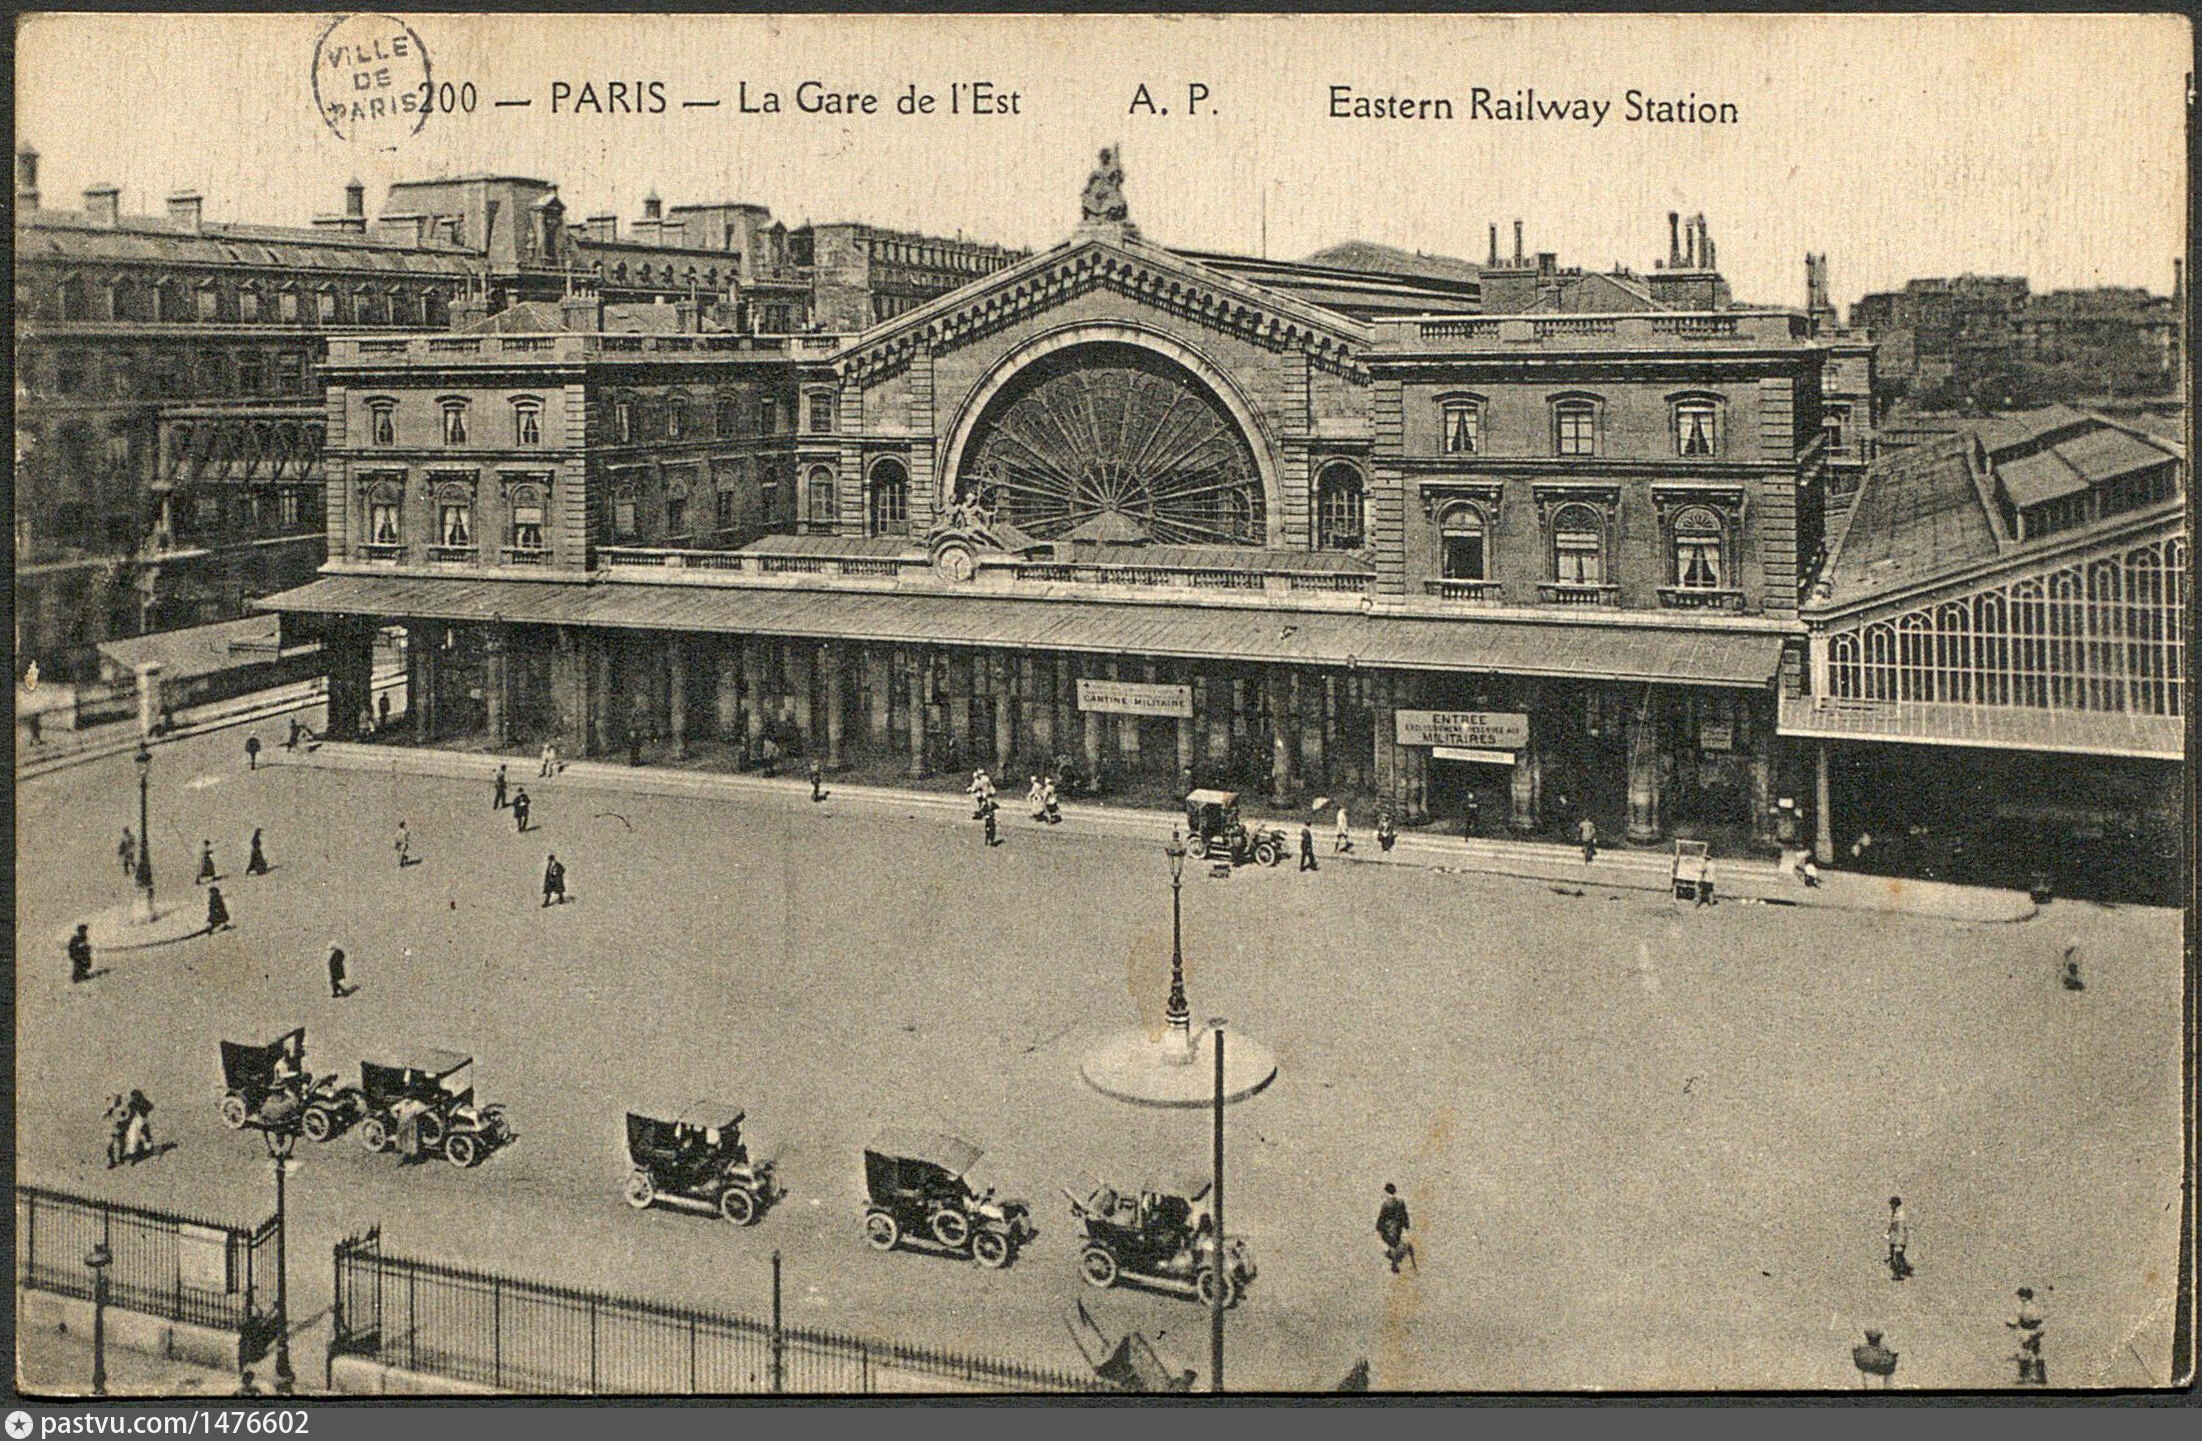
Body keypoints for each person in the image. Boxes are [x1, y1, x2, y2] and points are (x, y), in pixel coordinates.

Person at [2008, 1287, 2046, 1384]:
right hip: (2036, 1331)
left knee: (2024, 1354)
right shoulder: (2034, 1306)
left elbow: (2021, 1320)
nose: (2020, 1298)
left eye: (2020, 1296)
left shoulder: (2026, 1308)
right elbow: (2040, 1320)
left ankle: (2024, 1378)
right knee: (2037, 1352)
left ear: (2024, 1297)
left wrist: (2011, 1324)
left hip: (2028, 1332)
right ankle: (2041, 1376)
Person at [1376, 1184, 1415, 1273]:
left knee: (1390, 1243)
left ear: (1386, 1191)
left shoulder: (1386, 1203)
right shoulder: (1400, 1201)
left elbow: (1382, 1216)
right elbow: (1404, 1214)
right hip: (1398, 1225)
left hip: (1388, 1226)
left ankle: (1393, 1260)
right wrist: (1406, 1224)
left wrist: (1379, 1226)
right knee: (1396, 1241)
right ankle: (1395, 1257)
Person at [123, 1089, 154, 1162]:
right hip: (135, 1121)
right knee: (133, 1135)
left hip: (142, 1120)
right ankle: (133, 1152)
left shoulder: (143, 1102)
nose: (133, 1098)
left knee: (144, 1134)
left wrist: (142, 1106)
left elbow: (150, 1107)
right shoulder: (132, 1104)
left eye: (135, 1096)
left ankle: (147, 1148)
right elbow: (130, 1114)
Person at [1885, 1197, 1913, 1281]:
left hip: (1898, 1240)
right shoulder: (1895, 1214)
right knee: (1897, 1256)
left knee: (1896, 1257)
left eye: (1892, 1204)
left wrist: (1899, 1243)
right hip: (1894, 1239)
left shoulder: (1900, 1215)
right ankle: (1905, 1269)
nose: (1891, 1206)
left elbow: (1900, 1230)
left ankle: (1898, 1274)